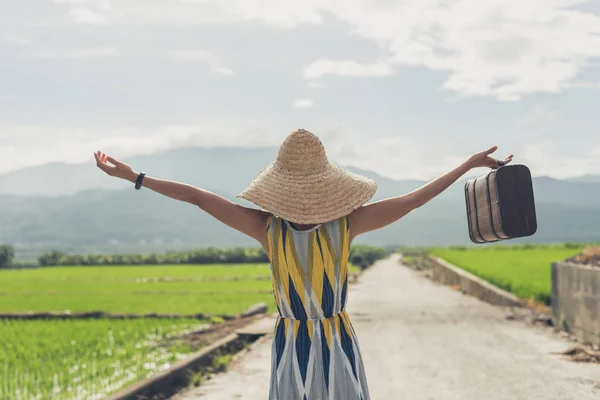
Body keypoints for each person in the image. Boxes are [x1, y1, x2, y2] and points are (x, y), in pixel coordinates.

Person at [94, 128, 512, 400]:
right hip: (324, 337)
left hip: (298, 339)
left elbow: (199, 197)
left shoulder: (266, 228)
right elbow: (413, 200)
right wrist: (136, 178)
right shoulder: (345, 225)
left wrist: (138, 178)